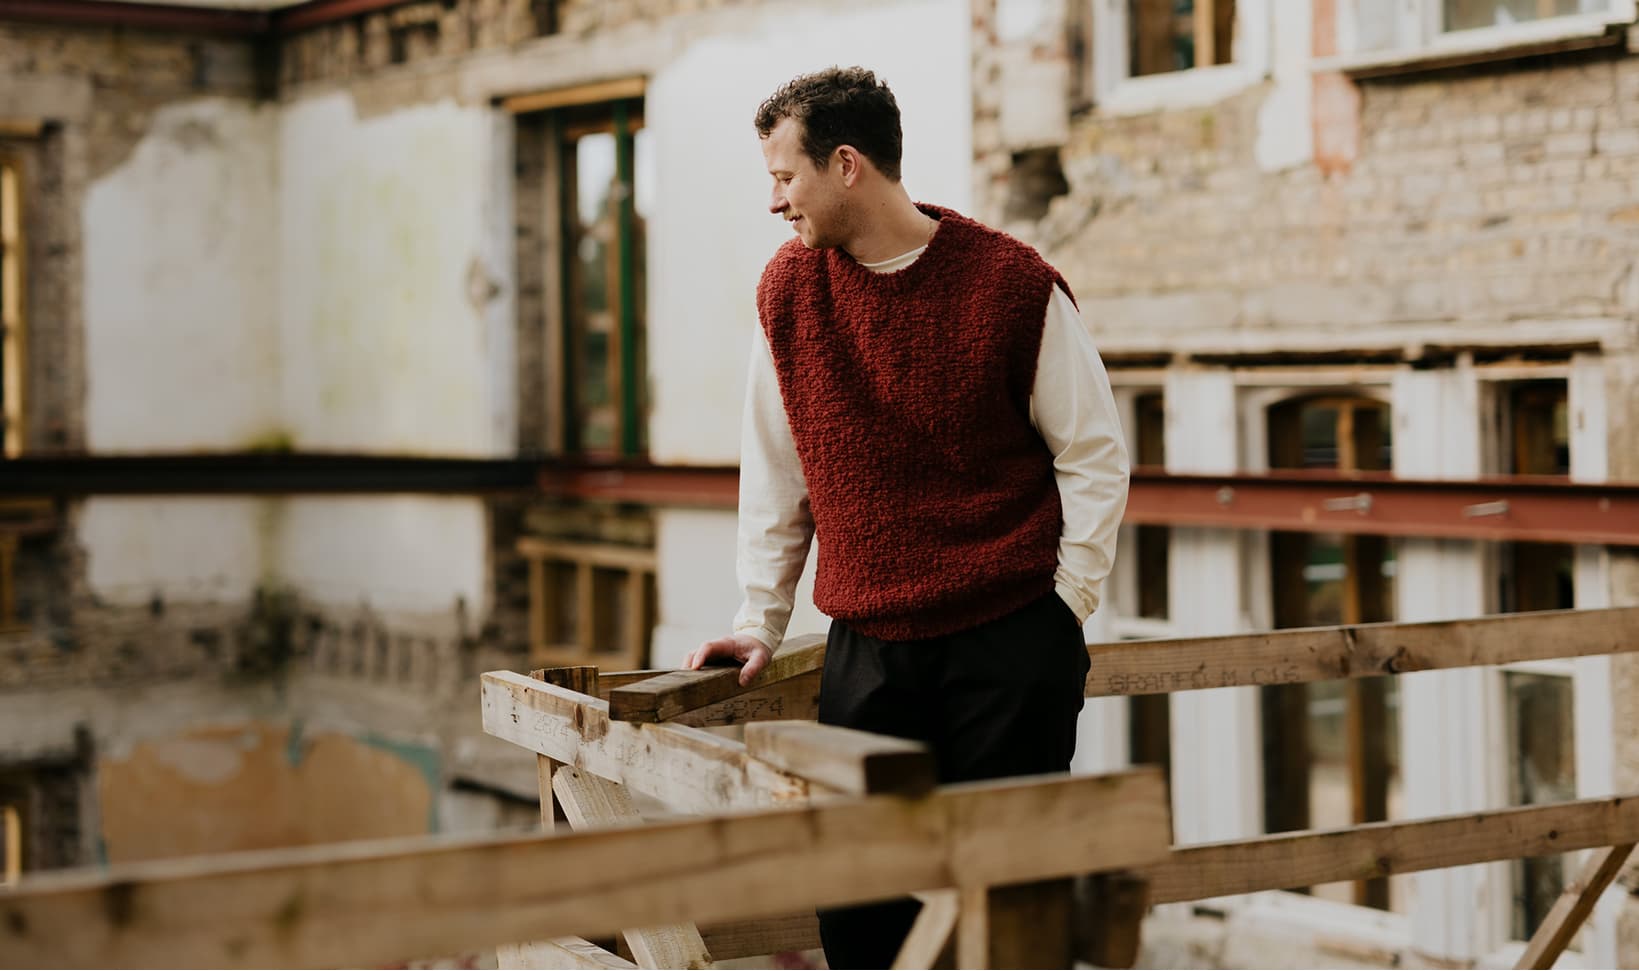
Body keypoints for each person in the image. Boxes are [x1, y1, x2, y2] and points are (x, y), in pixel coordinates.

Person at [683, 65, 1130, 969]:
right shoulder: (787, 292)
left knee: (1008, 920)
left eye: (784, 177)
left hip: (1009, 642)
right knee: (859, 917)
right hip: (868, 654)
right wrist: (758, 620)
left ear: (845, 165)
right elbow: (776, 472)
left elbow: (1092, 453)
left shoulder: (1011, 286)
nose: (774, 201)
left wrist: (1064, 606)